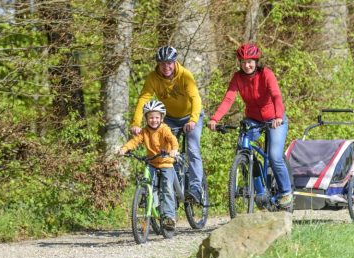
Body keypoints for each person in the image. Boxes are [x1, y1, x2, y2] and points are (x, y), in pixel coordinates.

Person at [207, 43, 293, 208]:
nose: (247, 65)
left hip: (275, 119)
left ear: (256, 61)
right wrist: (215, 119)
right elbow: (228, 99)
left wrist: (277, 116)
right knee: (242, 146)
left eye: (250, 61)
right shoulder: (237, 78)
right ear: (239, 62)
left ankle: (286, 193)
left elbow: (276, 95)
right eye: (243, 61)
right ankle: (255, 184)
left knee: (275, 156)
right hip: (253, 119)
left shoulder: (266, 74)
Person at [130, 46, 205, 205]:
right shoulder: (153, 78)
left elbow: (196, 99)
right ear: (158, 64)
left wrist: (192, 120)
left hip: (191, 116)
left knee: (192, 149)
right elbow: (144, 99)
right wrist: (136, 123)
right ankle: (164, 189)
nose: (166, 67)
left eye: (170, 63)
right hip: (170, 118)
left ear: (175, 61)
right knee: (161, 150)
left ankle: (196, 188)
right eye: (162, 63)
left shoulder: (185, 75)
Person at [120, 100, 179, 230]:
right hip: (152, 162)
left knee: (167, 188)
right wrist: (124, 149)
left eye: (157, 117)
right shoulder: (144, 131)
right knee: (148, 184)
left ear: (161, 118)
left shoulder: (164, 129)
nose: (154, 120)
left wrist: (174, 149)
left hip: (166, 163)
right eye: (151, 117)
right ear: (146, 118)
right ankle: (150, 204)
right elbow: (135, 141)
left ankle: (169, 217)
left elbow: (172, 139)